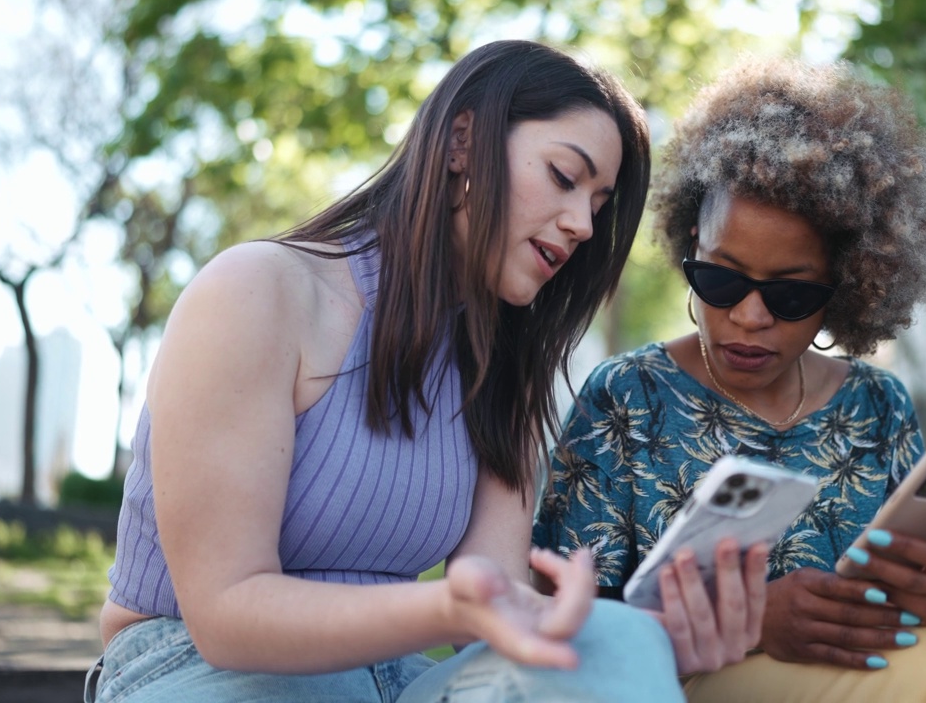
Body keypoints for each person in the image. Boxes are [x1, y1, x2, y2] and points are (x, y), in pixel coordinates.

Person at [86, 39, 687, 703]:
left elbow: (491, 605)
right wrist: (452, 609)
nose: (580, 225)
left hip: (393, 681)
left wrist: (657, 633)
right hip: (196, 668)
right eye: (563, 177)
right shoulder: (258, 291)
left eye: (599, 208)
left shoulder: (504, 366)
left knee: (624, 644)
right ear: (462, 141)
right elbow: (226, 615)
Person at [532, 55, 926, 701]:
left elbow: (904, 617)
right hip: (684, 688)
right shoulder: (625, 399)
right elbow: (554, 633)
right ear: (690, 245)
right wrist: (753, 623)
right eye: (722, 280)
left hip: (872, 680)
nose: (749, 317)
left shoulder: (878, 404)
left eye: (788, 296)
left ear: (846, 288)